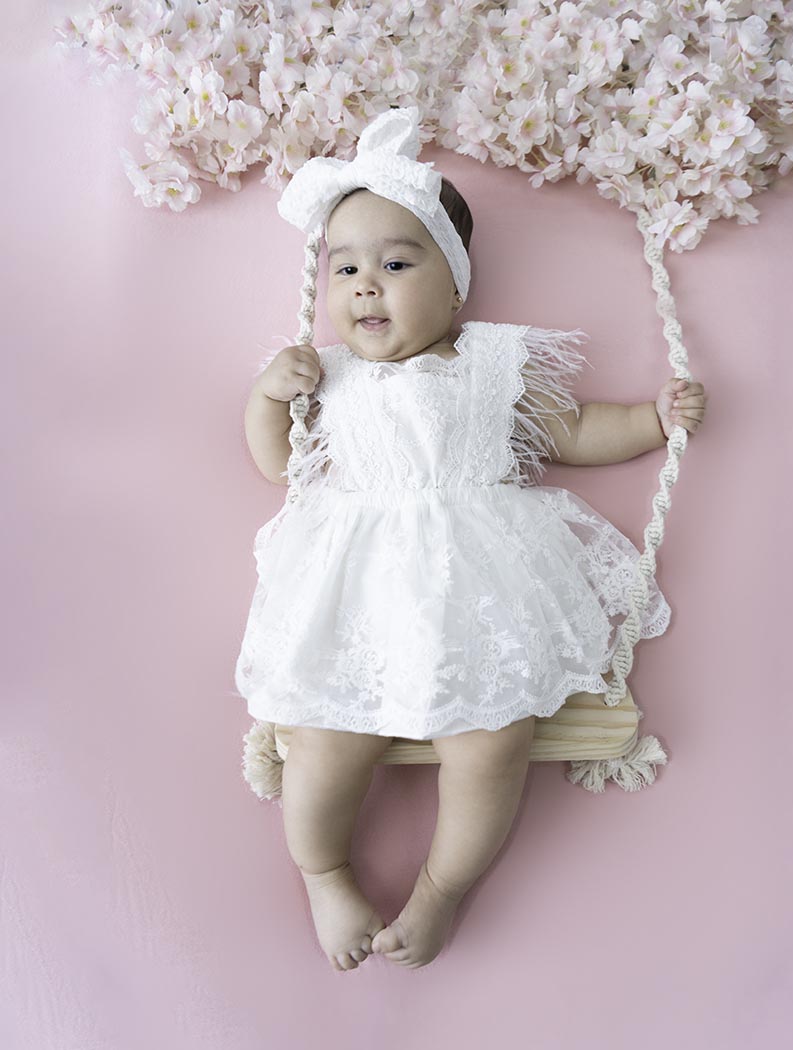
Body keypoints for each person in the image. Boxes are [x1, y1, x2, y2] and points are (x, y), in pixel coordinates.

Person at [234, 107, 707, 973]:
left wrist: (648, 419)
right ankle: (326, 871)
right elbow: (279, 466)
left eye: (395, 262)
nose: (365, 285)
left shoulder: (488, 365)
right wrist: (270, 397)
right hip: (357, 598)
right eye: (344, 267)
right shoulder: (325, 376)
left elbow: (570, 428)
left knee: (493, 743)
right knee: (324, 738)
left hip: (478, 588)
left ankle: (443, 890)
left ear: (454, 286)